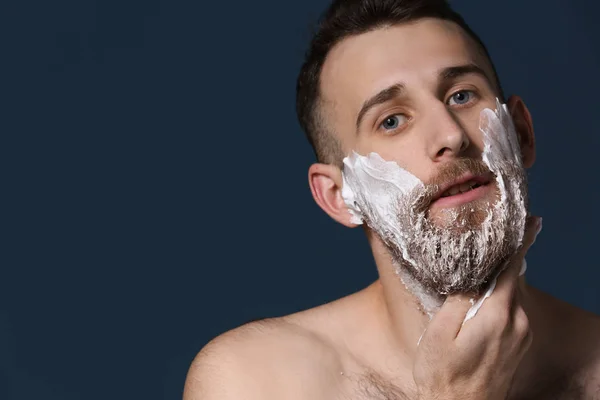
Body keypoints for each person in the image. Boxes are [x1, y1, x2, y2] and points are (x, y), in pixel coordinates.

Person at [184, 0, 600, 398]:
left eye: (461, 95)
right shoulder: (257, 382)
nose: (451, 137)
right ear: (339, 196)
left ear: (522, 134)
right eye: (392, 120)